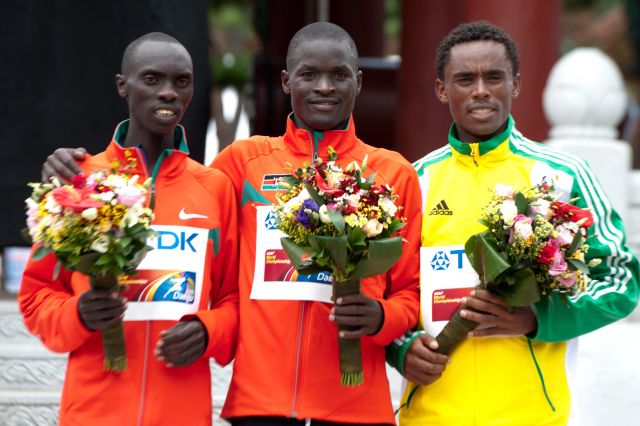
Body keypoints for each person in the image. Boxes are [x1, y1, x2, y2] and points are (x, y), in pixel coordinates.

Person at [40, 22, 421, 425]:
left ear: (359, 83)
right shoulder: (240, 164)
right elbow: (169, 189)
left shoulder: (393, 173)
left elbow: (409, 295)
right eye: (309, 74)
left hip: (357, 407)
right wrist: (74, 171)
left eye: (339, 75)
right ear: (286, 81)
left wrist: (380, 319)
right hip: (259, 405)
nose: (325, 86)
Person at [386, 21, 640, 425]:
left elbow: (621, 279)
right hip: (429, 413)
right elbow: (387, 289)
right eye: (465, 79)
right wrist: (401, 349)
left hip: (532, 413)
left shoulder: (562, 176)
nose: (481, 90)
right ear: (441, 89)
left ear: (516, 85)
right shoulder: (414, 181)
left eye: (494, 77)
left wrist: (538, 317)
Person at [21, 32, 239, 425]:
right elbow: (37, 299)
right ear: (124, 86)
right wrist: (79, 315)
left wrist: (210, 331)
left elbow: (235, 299)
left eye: (182, 82)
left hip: (182, 410)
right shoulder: (79, 179)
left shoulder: (215, 187)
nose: (169, 93)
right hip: (93, 410)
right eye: (153, 79)